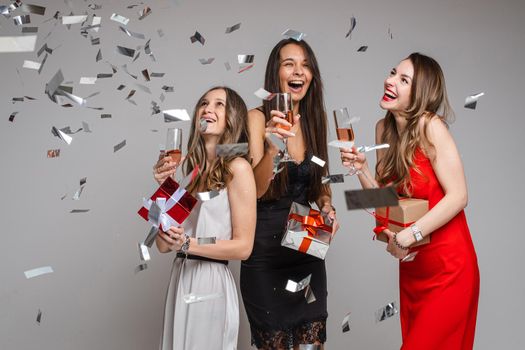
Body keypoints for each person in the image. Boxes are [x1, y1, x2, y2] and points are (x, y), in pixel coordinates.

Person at [341, 53, 479, 349]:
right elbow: (386, 201)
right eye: (393, 73)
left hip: (450, 270)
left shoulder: (431, 126)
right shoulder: (383, 129)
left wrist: (410, 235)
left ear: (420, 94)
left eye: (403, 80)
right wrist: (361, 170)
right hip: (414, 269)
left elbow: (459, 195)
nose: (390, 81)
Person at [240, 38, 339, 350]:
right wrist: (272, 145)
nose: (299, 71)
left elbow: (321, 182)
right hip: (263, 257)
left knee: (313, 345)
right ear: (276, 74)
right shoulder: (256, 118)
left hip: (306, 247)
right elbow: (255, 190)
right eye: (289, 64)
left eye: (306, 65)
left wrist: (327, 206)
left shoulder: (314, 121)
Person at [152, 86, 256, 350]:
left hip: (211, 281)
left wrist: (188, 244)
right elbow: (163, 245)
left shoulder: (238, 168)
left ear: (233, 118)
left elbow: (244, 247)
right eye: (204, 103)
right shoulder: (189, 171)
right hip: (181, 277)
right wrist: (164, 187)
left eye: (219, 104)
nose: (208, 108)